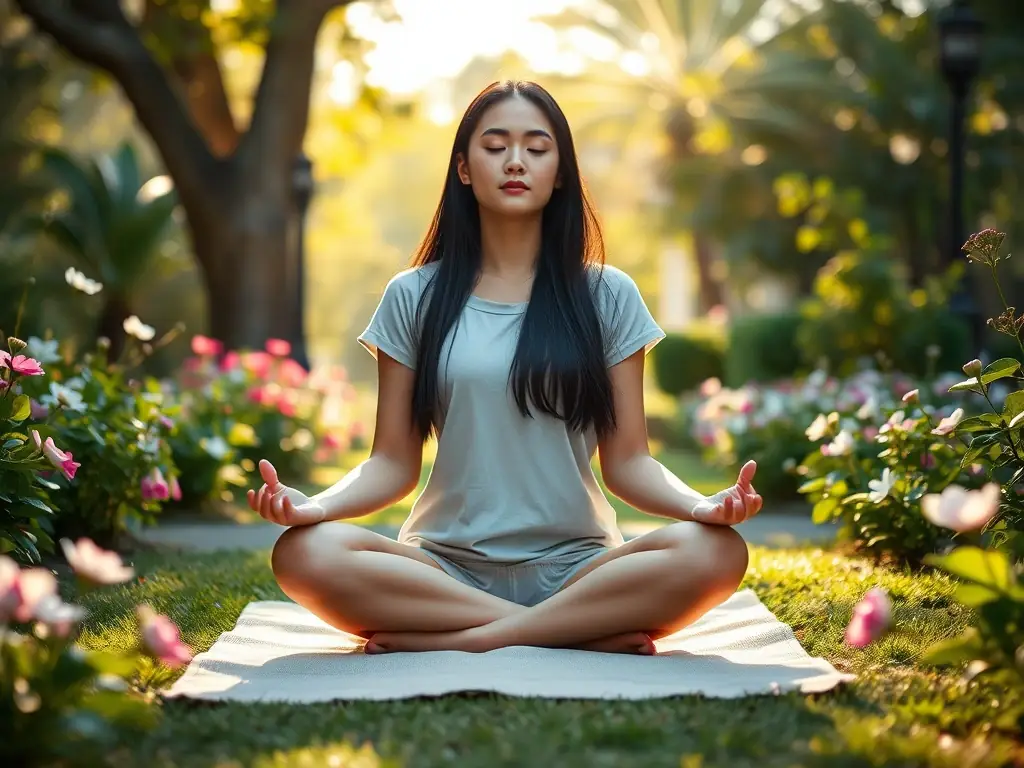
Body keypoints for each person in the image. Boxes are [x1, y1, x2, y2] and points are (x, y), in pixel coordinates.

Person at [247, 80, 762, 656]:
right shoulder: (413, 296)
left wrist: (703, 506)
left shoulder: (608, 295)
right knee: (303, 552)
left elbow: (630, 462)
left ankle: (465, 639)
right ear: (464, 168)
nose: (516, 161)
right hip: (442, 569)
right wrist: (314, 507)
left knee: (718, 550)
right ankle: (578, 633)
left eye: (537, 148)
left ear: (560, 171)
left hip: (580, 568)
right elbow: (392, 462)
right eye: (495, 146)